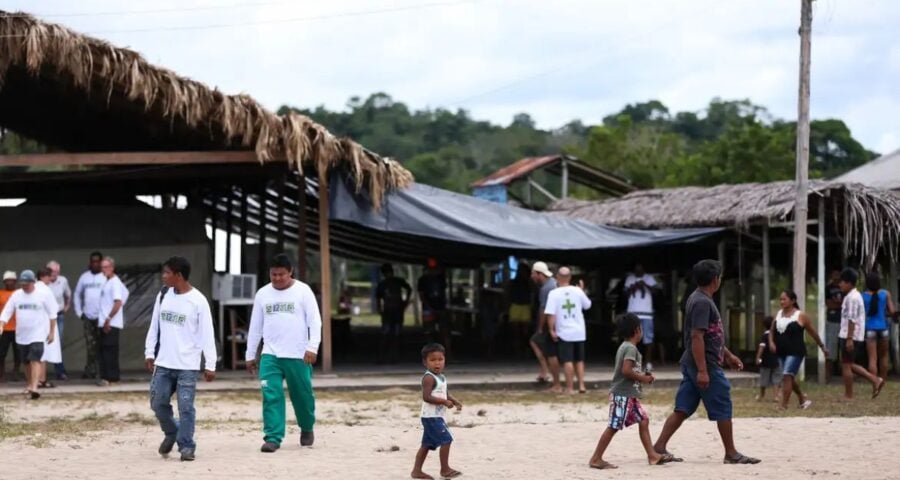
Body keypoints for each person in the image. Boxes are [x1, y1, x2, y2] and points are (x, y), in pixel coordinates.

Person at [653, 259, 760, 465]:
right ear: (715, 280)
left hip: (695, 362)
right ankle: (731, 453)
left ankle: (659, 446)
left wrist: (728, 355)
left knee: (683, 407)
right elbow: (697, 337)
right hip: (705, 365)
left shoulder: (699, 298)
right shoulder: (702, 302)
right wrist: (703, 370)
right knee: (723, 404)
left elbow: (712, 336)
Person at [246, 254, 322, 453]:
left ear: (291, 272)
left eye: (281, 274)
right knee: (271, 395)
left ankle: (307, 427)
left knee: (302, 396)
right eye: (273, 274)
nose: (277, 278)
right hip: (270, 355)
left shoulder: (303, 291)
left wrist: (312, 347)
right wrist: (250, 354)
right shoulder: (263, 294)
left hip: (298, 354)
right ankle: (273, 437)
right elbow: (255, 327)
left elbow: (315, 321)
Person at [144, 256, 217, 462]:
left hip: (187, 365)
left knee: (185, 407)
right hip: (164, 363)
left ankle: (186, 446)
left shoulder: (198, 301)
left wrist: (210, 364)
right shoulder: (164, 295)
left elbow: (207, 334)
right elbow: (154, 325)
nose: (163, 276)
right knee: (157, 403)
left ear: (179, 276)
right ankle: (171, 432)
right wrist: (150, 352)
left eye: (167, 273)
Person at [589, 313, 673, 470]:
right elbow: (626, 371)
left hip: (630, 396)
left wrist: (642, 376)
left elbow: (629, 370)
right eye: (641, 328)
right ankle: (596, 458)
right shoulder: (630, 348)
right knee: (613, 426)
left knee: (644, 420)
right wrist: (643, 378)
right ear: (637, 330)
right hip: (622, 395)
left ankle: (652, 455)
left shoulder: (626, 347)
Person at [0, 270, 57, 399]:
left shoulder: (42, 295)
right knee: (25, 361)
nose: (24, 286)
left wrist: (52, 332)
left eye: (27, 283)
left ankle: (35, 388)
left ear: (33, 282)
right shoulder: (16, 295)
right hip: (22, 335)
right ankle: (30, 384)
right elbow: (7, 311)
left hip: (37, 334)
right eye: (22, 283)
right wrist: (2, 324)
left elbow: (52, 314)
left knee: (35, 358)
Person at [767, 290, 829, 410]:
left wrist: (822, 346)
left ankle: (784, 405)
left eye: (784, 299)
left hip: (795, 352)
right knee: (788, 377)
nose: (782, 302)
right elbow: (772, 331)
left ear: (793, 301)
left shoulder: (800, 316)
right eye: (780, 299)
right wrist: (771, 342)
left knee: (787, 375)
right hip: (781, 351)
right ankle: (802, 398)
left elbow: (813, 332)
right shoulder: (778, 314)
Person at [411, 343, 462, 480]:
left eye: (440, 359)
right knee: (447, 439)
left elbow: (444, 394)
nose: (437, 363)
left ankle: (416, 471)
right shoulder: (428, 378)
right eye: (433, 360)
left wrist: (455, 401)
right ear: (425, 362)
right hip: (431, 417)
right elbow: (426, 397)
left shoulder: (442, 377)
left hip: (437, 416)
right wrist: (444, 402)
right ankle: (445, 469)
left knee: (427, 445)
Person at [837, 268, 885, 400]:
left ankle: (849, 395)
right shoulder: (853, 296)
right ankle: (875, 380)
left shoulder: (852, 298)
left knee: (846, 365)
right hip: (850, 334)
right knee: (849, 363)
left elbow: (851, 319)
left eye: (842, 282)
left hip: (850, 334)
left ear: (849, 283)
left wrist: (849, 338)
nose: (840, 285)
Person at [544, 266, 592, 394]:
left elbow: (550, 313)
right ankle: (582, 385)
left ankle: (570, 388)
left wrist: (551, 329)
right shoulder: (577, 291)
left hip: (564, 332)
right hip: (579, 331)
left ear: (557, 278)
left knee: (567, 360)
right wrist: (582, 291)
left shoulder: (554, 293)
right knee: (580, 360)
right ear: (570, 277)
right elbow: (588, 305)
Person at [74, 251, 105, 379]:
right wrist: (79, 312)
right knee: (90, 345)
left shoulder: (105, 276)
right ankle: (90, 370)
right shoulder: (84, 277)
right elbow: (77, 294)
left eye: (98, 261)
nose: (95, 264)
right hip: (88, 317)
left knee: (102, 345)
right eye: (93, 261)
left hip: (102, 317)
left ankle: (102, 371)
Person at [624, 262, 660, 370]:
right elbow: (625, 293)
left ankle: (648, 363)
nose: (638, 271)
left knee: (648, 339)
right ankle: (632, 362)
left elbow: (656, 292)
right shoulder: (630, 279)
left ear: (644, 270)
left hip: (647, 314)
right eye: (636, 269)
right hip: (633, 313)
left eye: (640, 269)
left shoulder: (649, 278)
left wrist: (645, 285)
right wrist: (634, 286)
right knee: (631, 338)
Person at [97, 257, 127, 386]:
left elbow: (118, 301)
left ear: (112, 268)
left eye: (106, 267)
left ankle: (111, 377)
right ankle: (108, 376)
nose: (103, 270)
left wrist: (109, 318)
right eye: (102, 267)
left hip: (110, 322)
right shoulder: (107, 281)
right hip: (105, 320)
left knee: (109, 350)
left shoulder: (114, 282)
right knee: (104, 350)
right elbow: (126, 292)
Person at [529, 261, 558, 389]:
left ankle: (545, 371)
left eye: (533, 273)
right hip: (557, 320)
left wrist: (541, 327)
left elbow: (544, 310)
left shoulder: (546, 288)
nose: (532, 276)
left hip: (550, 321)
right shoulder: (553, 283)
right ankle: (545, 371)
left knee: (535, 341)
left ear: (540, 274)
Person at [376, 263, 412, 364]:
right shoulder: (386, 284)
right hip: (393, 310)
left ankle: (388, 357)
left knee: (390, 334)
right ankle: (389, 357)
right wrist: (405, 302)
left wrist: (405, 302)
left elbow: (409, 289)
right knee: (392, 334)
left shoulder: (388, 283)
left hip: (393, 310)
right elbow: (378, 298)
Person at [862, 272, 895, 380]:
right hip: (883, 328)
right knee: (884, 356)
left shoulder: (863, 296)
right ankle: (883, 380)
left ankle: (875, 381)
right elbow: (892, 311)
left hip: (870, 329)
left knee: (872, 358)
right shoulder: (885, 294)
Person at [418, 259, 450, 357]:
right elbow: (422, 296)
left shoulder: (441, 279)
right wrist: (429, 307)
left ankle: (447, 354)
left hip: (440, 307)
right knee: (429, 332)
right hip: (428, 308)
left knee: (444, 332)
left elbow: (444, 294)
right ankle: (430, 355)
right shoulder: (422, 280)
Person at [46, 261, 71, 381]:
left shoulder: (63, 280)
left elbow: (68, 294)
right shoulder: (42, 282)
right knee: (42, 343)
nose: (55, 273)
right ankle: (40, 374)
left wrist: (67, 307)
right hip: (45, 317)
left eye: (57, 271)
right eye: (52, 271)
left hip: (58, 316)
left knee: (57, 343)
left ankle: (60, 372)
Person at [36, 268, 61, 389]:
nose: (51, 279)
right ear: (43, 277)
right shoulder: (45, 290)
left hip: (35, 324)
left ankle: (39, 379)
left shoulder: (33, 289)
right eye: (49, 276)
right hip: (45, 324)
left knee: (37, 353)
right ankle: (41, 379)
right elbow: (54, 309)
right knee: (43, 353)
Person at [507, 262, 533, 357]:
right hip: (515, 305)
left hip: (525, 306)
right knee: (515, 331)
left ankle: (525, 348)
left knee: (525, 331)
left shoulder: (529, 282)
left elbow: (533, 291)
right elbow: (508, 293)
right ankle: (517, 350)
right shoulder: (513, 282)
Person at [754, 316, 782, 402]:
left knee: (764, 378)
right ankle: (776, 396)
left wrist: (758, 357)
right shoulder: (778, 335)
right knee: (776, 379)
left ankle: (762, 395)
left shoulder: (765, 336)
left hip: (765, 360)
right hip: (776, 360)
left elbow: (761, 347)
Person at [0, 271, 21, 382]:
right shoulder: (1, 293)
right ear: (4, 282)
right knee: (1, 353)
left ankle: (16, 373)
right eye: (7, 280)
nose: (9, 282)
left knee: (18, 353)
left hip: (18, 328)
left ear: (15, 281)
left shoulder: (19, 293)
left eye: (11, 280)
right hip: (5, 328)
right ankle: (1, 374)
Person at [824, 268, 844, 382]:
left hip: (843, 321)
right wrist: (840, 304)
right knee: (830, 349)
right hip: (832, 320)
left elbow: (846, 304)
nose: (836, 276)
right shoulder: (828, 288)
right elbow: (829, 304)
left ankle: (842, 372)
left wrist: (837, 304)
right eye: (834, 274)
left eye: (838, 274)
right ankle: (827, 375)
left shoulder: (844, 288)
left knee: (844, 348)